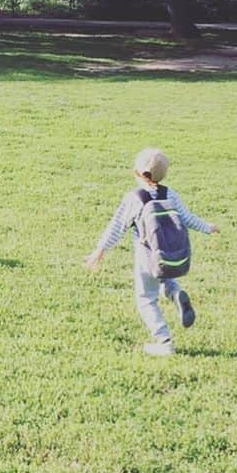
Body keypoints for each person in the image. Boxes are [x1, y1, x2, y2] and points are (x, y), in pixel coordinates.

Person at [85, 147, 219, 356]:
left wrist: (100, 250)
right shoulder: (169, 193)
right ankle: (175, 293)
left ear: (136, 172)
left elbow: (116, 226)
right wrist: (207, 227)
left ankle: (164, 341)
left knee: (146, 299)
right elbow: (187, 217)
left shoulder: (134, 198)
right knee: (164, 278)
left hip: (146, 258)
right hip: (170, 254)